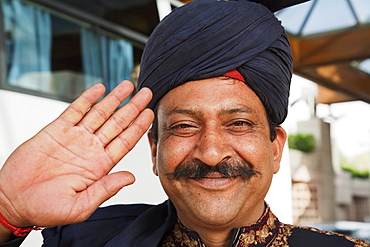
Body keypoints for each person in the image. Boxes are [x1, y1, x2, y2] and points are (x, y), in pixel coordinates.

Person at [0, 0, 368, 246]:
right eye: (184, 126)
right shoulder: (86, 239)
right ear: (155, 149)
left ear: (275, 148)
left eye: (238, 123)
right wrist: (7, 213)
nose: (210, 152)